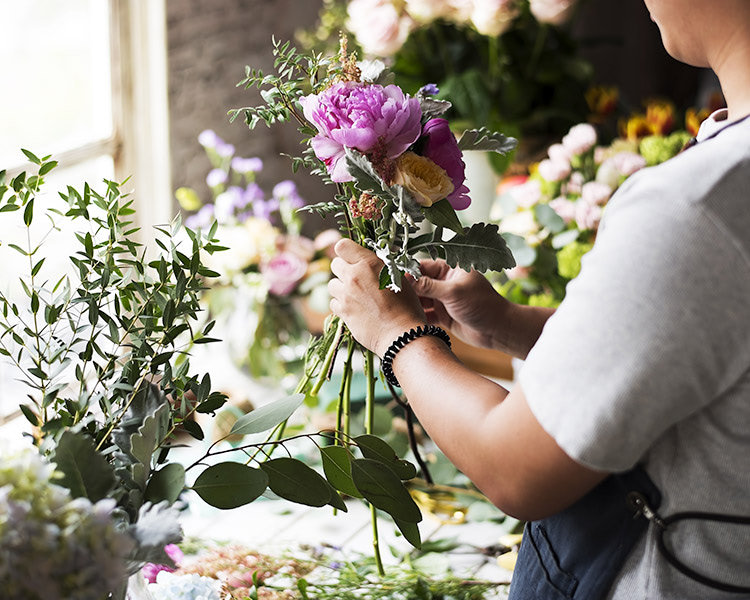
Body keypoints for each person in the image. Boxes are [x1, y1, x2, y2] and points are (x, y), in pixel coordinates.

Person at [327, 0, 750, 597]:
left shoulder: (700, 204)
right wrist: (507, 324)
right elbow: (698, 354)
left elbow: (515, 470)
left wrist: (395, 334)